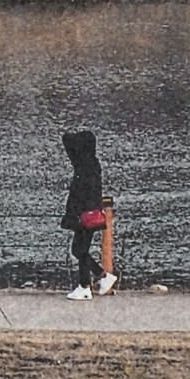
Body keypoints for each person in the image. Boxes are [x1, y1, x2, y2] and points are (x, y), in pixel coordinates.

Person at [62, 127, 114, 299]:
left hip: (85, 215)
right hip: (86, 214)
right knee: (79, 249)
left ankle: (85, 287)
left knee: (80, 249)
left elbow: (87, 193)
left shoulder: (86, 168)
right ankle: (102, 277)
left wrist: (80, 213)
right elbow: (67, 141)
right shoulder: (89, 164)